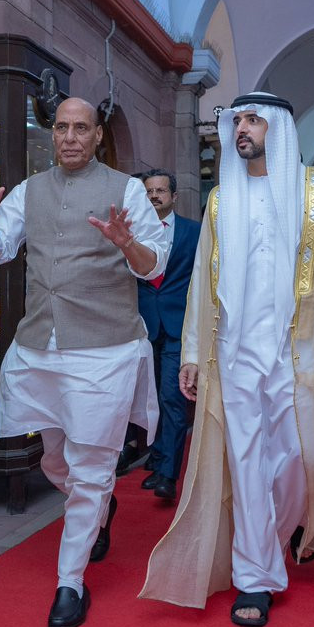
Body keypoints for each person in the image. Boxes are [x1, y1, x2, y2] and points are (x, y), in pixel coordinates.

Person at [140, 92, 314, 627]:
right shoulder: (221, 199)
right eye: (238, 121)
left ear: (278, 127)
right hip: (235, 351)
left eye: (253, 120)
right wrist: (194, 353)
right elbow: (202, 284)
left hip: (300, 352)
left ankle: (279, 532)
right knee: (245, 461)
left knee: (298, 459)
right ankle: (256, 575)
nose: (242, 129)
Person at [0, 97, 166, 627]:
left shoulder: (127, 190)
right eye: (62, 128)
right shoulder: (30, 190)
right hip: (40, 347)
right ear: (53, 134)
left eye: (81, 128)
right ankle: (98, 507)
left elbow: (154, 266)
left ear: (98, 136)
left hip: (105, 350)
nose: (70, 137)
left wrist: (128, 245)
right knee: (54, 462)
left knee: (91, 465)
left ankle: (70, 582)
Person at [136, 170, 200, 500]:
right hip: (143, 326)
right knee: (151, 399)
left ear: (174, 196)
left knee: (172, 398)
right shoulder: (132, 232)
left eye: (161, 190)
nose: (154, 196)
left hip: (179, 326)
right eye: (149, 191)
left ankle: (168, 475)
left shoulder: (195, 232)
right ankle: (158, 458)